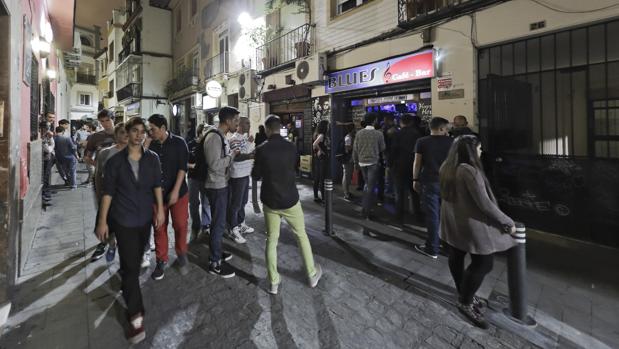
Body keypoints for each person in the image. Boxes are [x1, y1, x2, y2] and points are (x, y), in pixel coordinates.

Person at [96, 117, 165, 344]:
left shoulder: (152, 159)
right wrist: (102, 221)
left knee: (133, 263)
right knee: (131, 268)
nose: (138, 135)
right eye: (134, 131)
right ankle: (136, 316)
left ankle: (127, 281)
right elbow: (108, 192)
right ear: (127, 133)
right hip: (123, 219)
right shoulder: (115, 162)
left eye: (142, 132)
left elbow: (157, 184)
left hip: (144, 219)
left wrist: (160, 210)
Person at [439, 135, 517, 328]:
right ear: (471, 151)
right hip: (471, 224)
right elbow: (485, 204)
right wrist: (507, 222)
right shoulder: (469, 172)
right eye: (479, 149)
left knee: (456, 256)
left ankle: (463, 292)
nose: (481, 152)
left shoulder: (446, 167)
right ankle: (465, 301)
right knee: (483, 263)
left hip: (453, 223)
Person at [252, 115, 322, 295]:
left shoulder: (261, 149)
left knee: (271, 239)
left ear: (267, 129)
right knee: (301, 236)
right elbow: (295, 168)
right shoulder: (291, 147)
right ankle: (312, 274)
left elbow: (256, 175)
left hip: (270, 200)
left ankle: (273, 282)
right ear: (279, 128)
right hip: (290, 198)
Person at [148, 114, 190, 280]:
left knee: (180, 224)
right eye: (149, 129)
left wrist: (175, 190)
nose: (150, 132)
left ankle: (181, 252)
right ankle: (161, 259)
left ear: (163, 128)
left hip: (178, 193)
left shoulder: (179, 142)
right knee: (159, 226)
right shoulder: (150, 145)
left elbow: (182, 167)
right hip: (157, 195)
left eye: (153, 129)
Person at [204, 106, 242, 278]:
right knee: (218, 224)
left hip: (221, 184)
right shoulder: (214, 137)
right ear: (227, 121)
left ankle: (217, 250)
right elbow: (214, 164)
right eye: (236, 120)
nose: (238, 124)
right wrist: (231, 156)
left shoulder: (221, 137)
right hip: (216, 186)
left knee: (219, 223)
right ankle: (215, 262)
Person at [412, 117, 453, 258]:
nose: (448, 131)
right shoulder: (453, 142)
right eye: (446, 128)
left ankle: (432, 248)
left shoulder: (422, 142)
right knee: (447, 215)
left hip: (430, 181)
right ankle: (449, 248)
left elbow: (417, 163)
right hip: (449, 182)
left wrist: (415, 179)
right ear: (441, 128)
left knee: (433, 215)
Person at [86, 110, 118, 262]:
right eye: (102, 122)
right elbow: (87, 156)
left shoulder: (123, 132)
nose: (105, 124)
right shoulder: (95, 137)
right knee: (103, 211)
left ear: (113, 119)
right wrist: (99, 166)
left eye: (107, 120)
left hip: (122, 182)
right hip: (102, 181)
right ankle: (104, 242)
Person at [95, 123, 128, 263]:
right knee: (109, 225)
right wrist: (99, 196)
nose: (125, 135)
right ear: (116, 135)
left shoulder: (137, 152)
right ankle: (112, 245)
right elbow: (98, 176)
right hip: (110, 197)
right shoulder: (105, 153)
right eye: (122, 132)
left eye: (128, 132)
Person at [352, 112, 386, 220]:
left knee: (367, 185)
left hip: (362, 162)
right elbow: (382, 148)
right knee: (370, 187)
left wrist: (355, 163)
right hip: (373, 163)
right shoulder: (378, 134)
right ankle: (366, 211)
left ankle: (366, 207)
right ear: (374, 121)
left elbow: (355, 150)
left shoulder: (359, 133)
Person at [227, 116, 255, 241]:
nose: (249, 125)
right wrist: (249, 148)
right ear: (240, 125)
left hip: (245, 174)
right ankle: (233, 228)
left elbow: (248, 154)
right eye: (247, 123)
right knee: (236, 204)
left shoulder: (244, 138)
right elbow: (237, 157)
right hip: (237, 175)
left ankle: (241, 224)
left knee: (243, 202)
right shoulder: (233, 139)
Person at [391, 114, 422, 223]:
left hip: (399, 166)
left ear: (401, 122)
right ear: (411, 122)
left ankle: (399, 216)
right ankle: (417, 215)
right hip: (413, 166)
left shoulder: (397, 134)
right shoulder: (417, 134)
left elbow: (393, 150)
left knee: (399, 192)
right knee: (414, 192)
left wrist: (390, 164)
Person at [187, 123, 211, 242]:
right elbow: (183, 161)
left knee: (206, 203)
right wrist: (192, 165)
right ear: (200, 132)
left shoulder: (209, 145)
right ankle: (195, 227)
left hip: (206, 178)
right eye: (205, 132)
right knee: (193, 203)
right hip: (193, 178)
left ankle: (205, 227)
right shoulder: (191, 144)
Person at [312, 120, 330, 204]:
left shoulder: (317, 134)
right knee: (322, 178)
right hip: (322, 159)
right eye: (327, 125)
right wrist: (321, 150)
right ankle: (323, 198)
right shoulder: (322, 135)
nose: (328, 127)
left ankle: (316, 196)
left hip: (318, 159)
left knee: (317, 177)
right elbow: (314, 144)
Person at [336, 124, 355, 201]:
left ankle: (347, 192)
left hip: (349, 159)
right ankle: (346, 193)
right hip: (348, 160)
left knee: (348, 176)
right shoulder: (348, 138)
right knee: (347, 176)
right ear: (352, 129)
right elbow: (347, 149)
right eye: (354, 128)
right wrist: (354, 145)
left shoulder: (349, 137)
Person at [40, 122, 55, 207]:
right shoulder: (43, 137)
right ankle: (45, 195)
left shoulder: (47, 136)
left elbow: (52, 145)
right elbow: (48, 149)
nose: (48, 129)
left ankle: (46, 194)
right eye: (47, 127)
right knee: (45, 177)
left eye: (49, 127)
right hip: (45, 159)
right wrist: (51, 145)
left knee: (47, 176)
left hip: (48, 158)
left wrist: (51, 144)